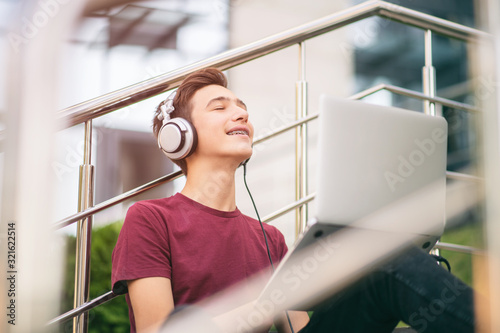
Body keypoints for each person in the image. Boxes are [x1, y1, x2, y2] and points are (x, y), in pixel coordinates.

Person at [111, 68, 475, 333]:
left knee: (382, 256)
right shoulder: (150, 218)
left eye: (242, 107)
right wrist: (264, 304)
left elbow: (300, 330)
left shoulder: (270, 239)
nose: (242, 114)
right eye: (219, 107)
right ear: (180, 137)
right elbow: (156, 330)